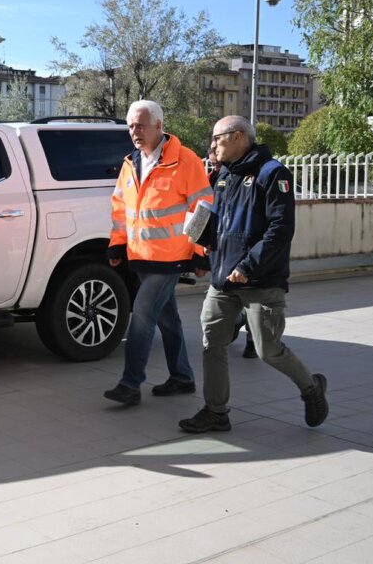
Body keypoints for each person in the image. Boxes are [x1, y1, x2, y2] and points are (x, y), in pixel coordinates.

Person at [180, 116, 329, 433]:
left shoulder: (272, 174)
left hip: (260, 281)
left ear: (237, 137)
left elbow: (280, 229)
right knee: (212, 345)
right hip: (223, 281)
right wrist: (206, 242)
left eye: (217, 138)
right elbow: (224, 223)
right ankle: (216, 412)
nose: (212, 144)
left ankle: (311, 388)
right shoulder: (223, 177)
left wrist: (248, 267)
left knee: (268, 350)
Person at [103, 100, 213, 405]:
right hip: (140, 256)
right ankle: (182, 377)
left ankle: (130, 383)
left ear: (159, 126)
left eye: (140, 125)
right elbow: (120, 209)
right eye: (130, 126)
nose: (134, 131)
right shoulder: (130, 163)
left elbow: (203, 208)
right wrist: (117, 243)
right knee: (167, 319)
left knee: (142, 315)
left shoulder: (185, 160)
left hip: (171, 257)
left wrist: (201, 253)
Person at [207, 141, 256, 359]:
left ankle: (252, 341)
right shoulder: (215, 179)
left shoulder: (246, 179)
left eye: (217, 165)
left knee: (252, 301)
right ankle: (237, 322)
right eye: (212, 165)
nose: (215, 168)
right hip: (222, 255)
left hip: (246, 252)